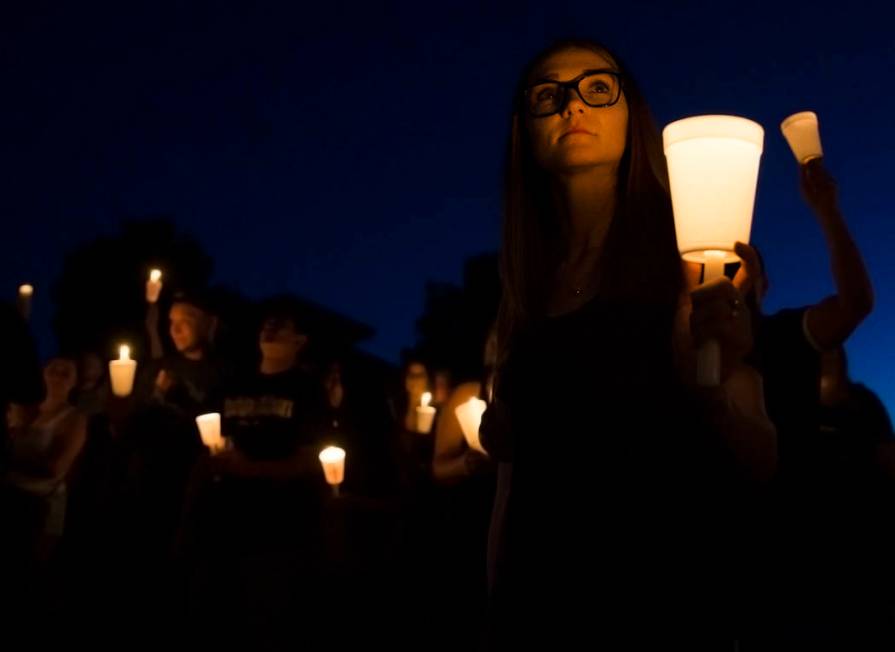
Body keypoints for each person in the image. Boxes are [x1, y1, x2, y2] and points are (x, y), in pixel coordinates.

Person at [479, 39, 777, 647]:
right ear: (525, 132)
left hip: (664, 602)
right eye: (548, 94)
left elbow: (762, 456)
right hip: (540, 606)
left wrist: (709, 379)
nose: (572, 106)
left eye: (597, 87)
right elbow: (511, 485)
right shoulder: (521, 290)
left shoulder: (692, 263)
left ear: (630, 116)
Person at [4, 357, 86, 562]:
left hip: (40, 505)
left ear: (75, 382)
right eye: (52, 370)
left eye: (65, 373)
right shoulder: (22, 409)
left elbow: (55, 469)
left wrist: (9, 459)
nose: (57, 376)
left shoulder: (75, 419)